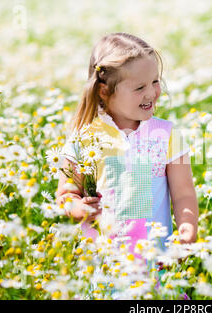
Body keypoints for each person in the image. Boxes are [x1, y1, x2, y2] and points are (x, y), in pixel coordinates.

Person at [55, 32, 198, 257]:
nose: (151, 92)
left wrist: (187, 232)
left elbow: (184, 195)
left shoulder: (167, 135)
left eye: (155, 82)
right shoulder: (84, 137)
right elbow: (65, 195)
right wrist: (79, 208)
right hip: (104, 263)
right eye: (139, 88)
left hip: (155, 261)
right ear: (104, 91)